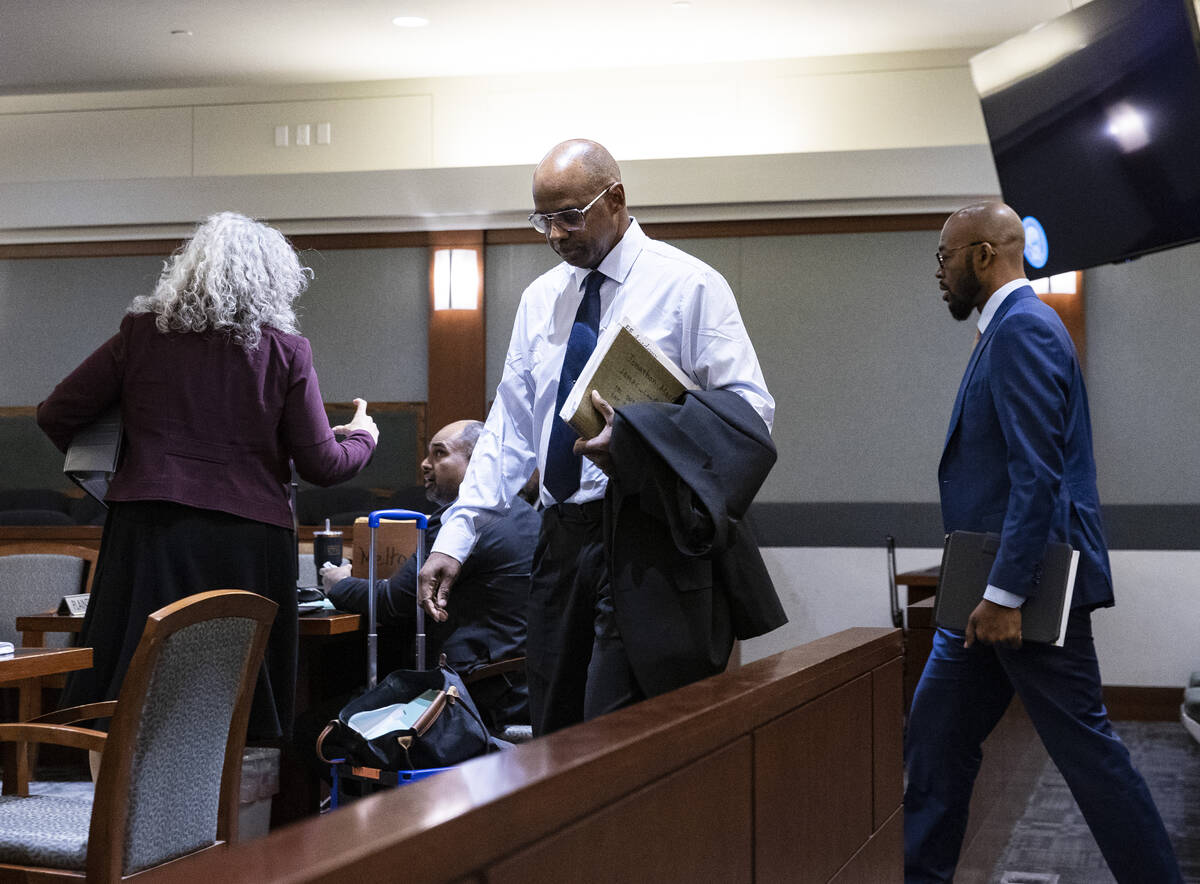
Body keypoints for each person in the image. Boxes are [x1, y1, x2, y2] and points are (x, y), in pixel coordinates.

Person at [418, 139, 781, 736]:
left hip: (646, 532)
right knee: (555, 730)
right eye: (543, 221)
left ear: (615, 199)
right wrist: (455, 538)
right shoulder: (541, 300)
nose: (556, 235)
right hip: (559, 537)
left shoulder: (688, 286)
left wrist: (641, 442)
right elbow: (508, 429)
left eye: (569, 216)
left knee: (622, 730)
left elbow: (750, 415)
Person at [903, 202, 1182, 883]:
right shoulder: (1007, 330)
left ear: (981, 256)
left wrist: (1003, 594)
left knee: (1088, 755)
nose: (936, 272)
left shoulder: (1024, 329)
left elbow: (1039, 476)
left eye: (943, 257)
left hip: (1021, 587)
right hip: (987, 581)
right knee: (936, 737)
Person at [37, 211, 378, 743]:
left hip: (149, 530)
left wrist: (130, 461)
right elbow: (323, 465)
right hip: (247, 540)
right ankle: (227, 818)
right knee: (232, 693)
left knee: (131, 684)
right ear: (275, 280)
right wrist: (363, 436)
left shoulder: (142, 334)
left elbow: (56, 414)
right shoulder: (285, 351)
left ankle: (118, 820)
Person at [320, 420, 537, 729]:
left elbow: (392, 602)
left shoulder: (464, 524)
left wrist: (338, 582)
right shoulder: (527, 515)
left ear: (479, 462)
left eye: (439, 454)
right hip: (521, 690)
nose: (425, 464)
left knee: (314, 726)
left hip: (466, 697)